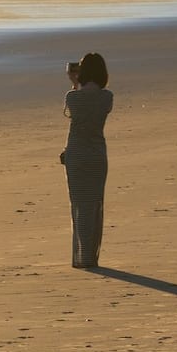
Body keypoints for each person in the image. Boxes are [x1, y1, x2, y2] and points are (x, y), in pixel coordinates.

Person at [62, 53, 112, 269]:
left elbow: (76, 114)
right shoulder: (107, 97)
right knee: (95, 205)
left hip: (77, 153)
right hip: (97, 154)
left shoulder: (73, 97)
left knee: (79, 205)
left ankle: (82, 256)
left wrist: (75, 83)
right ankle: (91, 254)